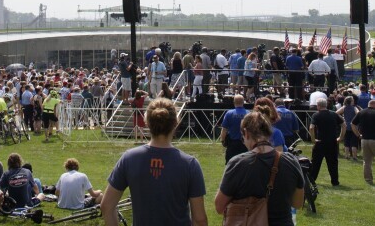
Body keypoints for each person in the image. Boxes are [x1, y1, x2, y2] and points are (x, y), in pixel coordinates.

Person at [101, 98, 207, 226]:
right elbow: (199, 219)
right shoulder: (190, 164)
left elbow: (107, 206)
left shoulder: (129, 158)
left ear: (146, 122)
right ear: (176, 123)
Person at [214, 110, 304, 226]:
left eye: (243, 138)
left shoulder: (238, 163)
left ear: (246, 133)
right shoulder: (291, 161)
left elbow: (219, 206)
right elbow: (297, 203)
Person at [309, 98, 345, 186]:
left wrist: (313, 139)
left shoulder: (316, 115)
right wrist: (340, 137)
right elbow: (344, 125)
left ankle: (312, 180)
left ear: (318, 106)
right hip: (332, 142)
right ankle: (335, 182)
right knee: (333, 163)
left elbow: (311, 127)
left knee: (315, 163)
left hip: (320, 142)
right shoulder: (334, 114)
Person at [352, 98, 375, 184]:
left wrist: (358, 135)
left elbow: (353, 124)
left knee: (367, 161)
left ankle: (368, 180)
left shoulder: (361, 112)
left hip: (364, 140)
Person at [220, 95, 248, 163]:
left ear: (234, 102)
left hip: (232, 144)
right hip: (245, 144)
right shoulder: (248, 113)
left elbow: (224, 129)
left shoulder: (229, 113)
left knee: (230, 165)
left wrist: (223, 140)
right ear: (243, 102)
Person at [337, 95, 360, 160]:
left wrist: (342, 119)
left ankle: (346, 156)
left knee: (346, 141)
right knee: (354, 142)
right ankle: (354, 156)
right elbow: (358, 113)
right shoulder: (354, 108)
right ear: (351, 101)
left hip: (346, 126)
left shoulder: (344, 107)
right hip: (354, 126)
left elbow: (336, 113)